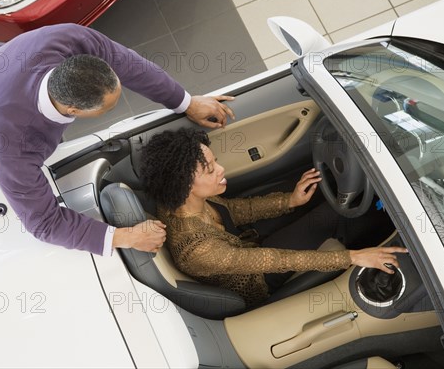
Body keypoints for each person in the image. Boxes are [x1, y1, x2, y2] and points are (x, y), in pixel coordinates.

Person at [0, 23, 234, 256]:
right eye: (108, 107)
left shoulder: (65, 38)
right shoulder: (9, 144)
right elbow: (44, 223)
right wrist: (125, 237)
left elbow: (128, 64)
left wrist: (186, 103)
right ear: (73, 110)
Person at [141, 128, 407, 306]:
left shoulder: (182, 199)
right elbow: (277, 260)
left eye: (215, 161)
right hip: (259, 279)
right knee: (330, 215)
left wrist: (290, 200)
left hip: (246, 242)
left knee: (312, 187)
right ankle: (394, 216)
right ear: (183, 185)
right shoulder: (197, 250)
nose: (221, 169)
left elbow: (233, 211)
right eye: (210, 170)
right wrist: (354, 257)